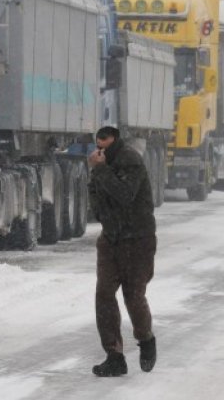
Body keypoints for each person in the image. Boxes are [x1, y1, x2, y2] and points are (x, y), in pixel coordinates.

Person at [87, 126, 157, 377]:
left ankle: (146, 339)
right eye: (97, 143)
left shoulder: (130, 160)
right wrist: (104, 217)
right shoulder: (101, 165)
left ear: (114, 140)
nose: (99, 147)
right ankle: (114, 356)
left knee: (133, 296)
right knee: (104, 294)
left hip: (138, 239)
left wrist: (101, 170)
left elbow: (124, 195)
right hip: (111, 239)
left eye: (104, 142)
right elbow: (95, 196)